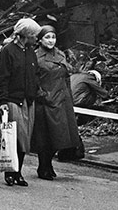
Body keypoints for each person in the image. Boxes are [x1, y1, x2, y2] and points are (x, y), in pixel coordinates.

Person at [31, 25, 82, 180]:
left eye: (53, 37)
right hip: (46, 102)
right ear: (40, 40)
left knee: (60, 136)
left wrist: (69, 99)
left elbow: (66, 76)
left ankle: (49, 164)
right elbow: (32, 80)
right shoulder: (35, 57)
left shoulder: (60, 54)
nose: (51, 40)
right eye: (47, 37)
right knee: (45, 137)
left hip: (63, 101)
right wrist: (43, 96)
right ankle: (43, 166)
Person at [0, 17, 41, 187]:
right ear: (26, 35)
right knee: (15, 137)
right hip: (13, 100)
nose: (36, 39)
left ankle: (19, 172)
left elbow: (35, 74)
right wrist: (2, 101)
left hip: (28, 99)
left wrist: (36, 91)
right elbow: (3, 77)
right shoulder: (8, 51)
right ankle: (10, 172)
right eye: (34, 36)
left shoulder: (30, 51)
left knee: (25, 139)